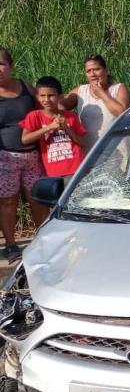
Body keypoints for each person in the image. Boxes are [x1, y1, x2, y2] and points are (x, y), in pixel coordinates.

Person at [0, 47, 48, 261]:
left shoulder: (27, 88)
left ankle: (43, 241)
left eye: (1, 64)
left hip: (33, 156)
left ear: (11, 66)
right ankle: (11, 245)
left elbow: (45, 110)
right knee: (8, 202)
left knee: (37, 199)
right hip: (5, 158)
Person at [20, 76, 87, 181]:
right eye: (42, 95)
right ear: (37, 97)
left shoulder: (70, 116)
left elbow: (83, 143)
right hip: (52, 171)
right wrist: (50, 127)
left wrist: (67, 128)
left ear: (60, 96)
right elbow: (25, 139)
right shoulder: (34, 116)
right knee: (57, 197)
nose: (46, 99)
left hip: (75, 169)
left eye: (51, 95)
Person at [62, 54, 130, 149]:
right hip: (91, 155)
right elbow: (56, 106)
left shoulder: (118, 89)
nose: (92, 74)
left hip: (119, 151)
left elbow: (121, 113)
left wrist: (102, 93)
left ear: (106, 70)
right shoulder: (81, 91)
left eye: (96, 69)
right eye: (88, 71)